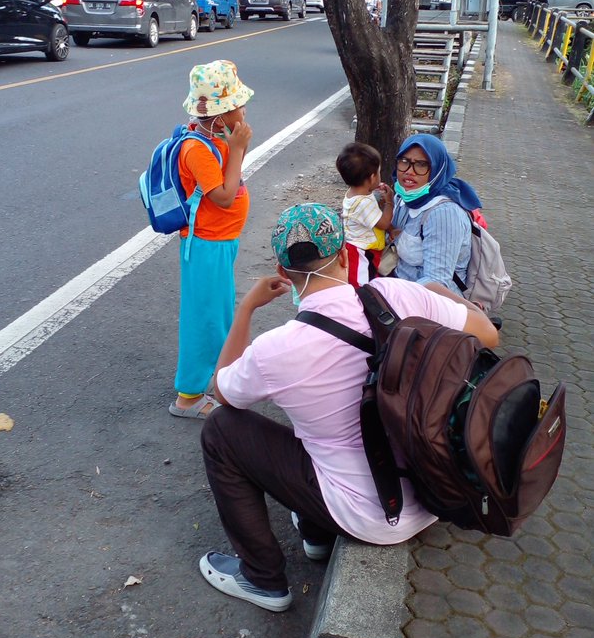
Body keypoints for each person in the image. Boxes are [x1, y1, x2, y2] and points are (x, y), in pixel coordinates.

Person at [198, 203, 498, 611]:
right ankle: (316, 535)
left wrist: (246, 308)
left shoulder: (276, 349)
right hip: (433, 493)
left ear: (284, 274)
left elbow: (222, 390)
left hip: (368, 518)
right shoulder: (395, 294)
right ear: (344, 255)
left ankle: (262, 578)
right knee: (321, 427)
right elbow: (487, 337)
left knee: (222, 431)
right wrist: (438, 294)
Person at [170, 60, 253, 419]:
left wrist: (233, 148)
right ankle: (188, 397)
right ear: (219, 116)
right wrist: (236, 150)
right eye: (238, 105)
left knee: (217, 311)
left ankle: (210, 379)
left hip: (219, 241)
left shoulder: (213, 139)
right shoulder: (198, 149)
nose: (244, 110)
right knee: (205, 317)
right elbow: (222, 195)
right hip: (205, 244)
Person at [391, 134, 481, 292]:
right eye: (404, 161)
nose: (409, 171)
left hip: (429, 302)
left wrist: (393, 296)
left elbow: (437, 282)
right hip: (399, 284)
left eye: (421, 164)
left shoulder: (444, 214)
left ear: (436, 169)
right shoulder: (405, 197)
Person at [336, 141, 394, 285]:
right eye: (379, 172)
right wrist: (389, 202)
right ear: (373, 177)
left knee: (370, 276)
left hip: (363, 247)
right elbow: (384, 223)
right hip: (360, 251)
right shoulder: (363, 204)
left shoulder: (355, 193)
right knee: (361, 284)